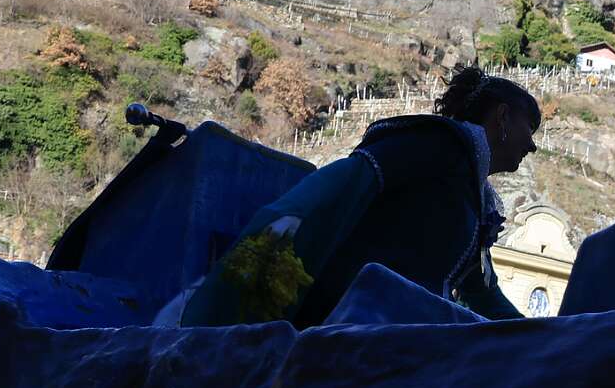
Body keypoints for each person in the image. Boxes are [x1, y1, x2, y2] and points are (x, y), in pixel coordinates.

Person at [179, 65, 540, 327]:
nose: (533, 145)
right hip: (349, 327)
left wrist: (544, 336)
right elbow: (342, 187)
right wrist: (279, 251)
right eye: (531, 127)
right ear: (503, 117)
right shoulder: (439, 145)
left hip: (396, 338)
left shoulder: (474, 197)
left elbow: (482, 292)